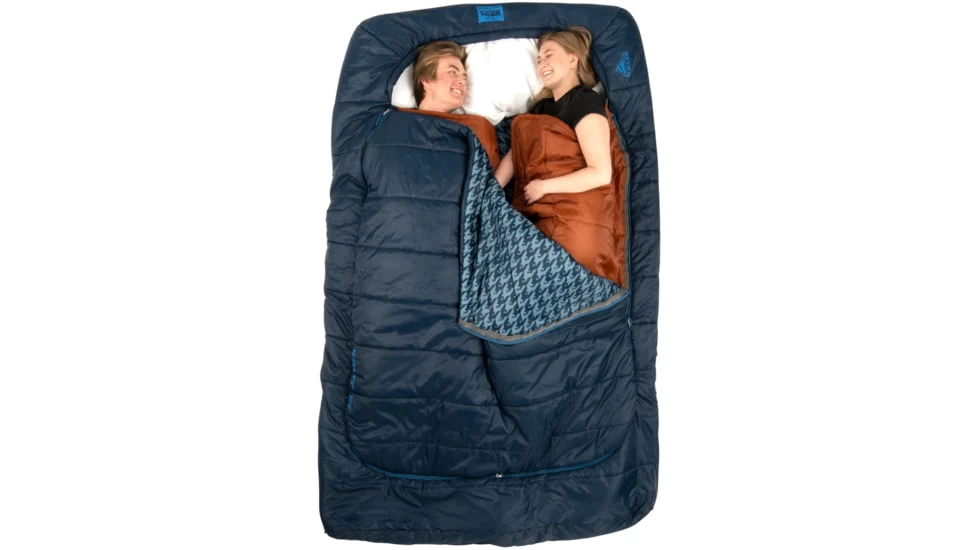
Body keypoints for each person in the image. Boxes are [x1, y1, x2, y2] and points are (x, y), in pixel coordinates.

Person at [506, 27, 626, 287]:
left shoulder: (584, 101)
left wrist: (544, 186)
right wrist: (489, 189)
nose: (541, 63)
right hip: (536, 209)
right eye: (539, 59)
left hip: (576, 211)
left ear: (573, 59)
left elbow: (600, 173)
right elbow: (517, 152)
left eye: (549, 55)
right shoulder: (540, 109)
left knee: (560, 283)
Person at [400, 41, 513, 186]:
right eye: (452, 72)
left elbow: (488, 187)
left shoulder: (477, 127)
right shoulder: (395, 122)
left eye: (464, 77)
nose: (462, 81)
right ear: (426, 80)